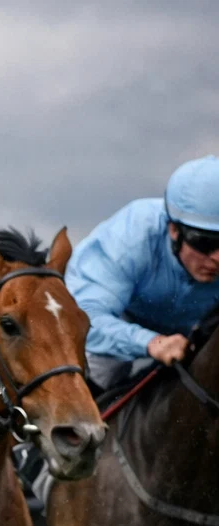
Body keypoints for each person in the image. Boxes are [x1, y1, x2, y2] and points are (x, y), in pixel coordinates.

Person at [67, 155, 219, 391]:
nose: (217, 258)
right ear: (174, 230)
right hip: (120, 324)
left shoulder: (197, 243)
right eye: (205, 243)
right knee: (98, 370)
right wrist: (150, 342)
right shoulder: (130, 236)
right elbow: (83, 318)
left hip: (196, 335)